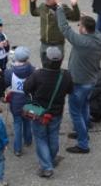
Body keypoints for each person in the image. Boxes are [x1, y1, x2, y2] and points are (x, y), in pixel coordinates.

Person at [53, 0, 101, 154]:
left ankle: (83, 144)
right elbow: (92, 27)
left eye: (80, 26)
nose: (78, 27)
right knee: (84, 106)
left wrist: (60, 6)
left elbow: (64, 28)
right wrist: (85, 17)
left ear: (84, 29)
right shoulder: (99, 38)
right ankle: (84, 130)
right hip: (91, 80)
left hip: (80, 83)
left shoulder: (82, 42)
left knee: (75, 112)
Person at [23, 46, 74, 178]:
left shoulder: (37, 74)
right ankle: (51, 160)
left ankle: (46, 167)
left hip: (38, 112)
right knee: (53, 136)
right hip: (56, 113)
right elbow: (70, 90)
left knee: (40, 138)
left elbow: (26, 88)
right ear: (61, 60)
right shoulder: (66, 75)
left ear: (46, 59)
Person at [29, 0, 80, 66]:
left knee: (56, 66)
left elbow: (76, 17)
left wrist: (74, 6)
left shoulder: (62, 8)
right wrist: (32, 2)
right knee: (45, 65)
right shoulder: (43, 7)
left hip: (57, 44)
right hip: (44, 44)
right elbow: (34, 12)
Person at [4, 47, 35, 157]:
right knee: (28, 121)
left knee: (17, 124)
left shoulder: (9, 72)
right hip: (29, 101)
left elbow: (5, 83)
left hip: (15, 102)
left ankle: (17, 148)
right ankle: (28, 140)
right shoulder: (33, 70)